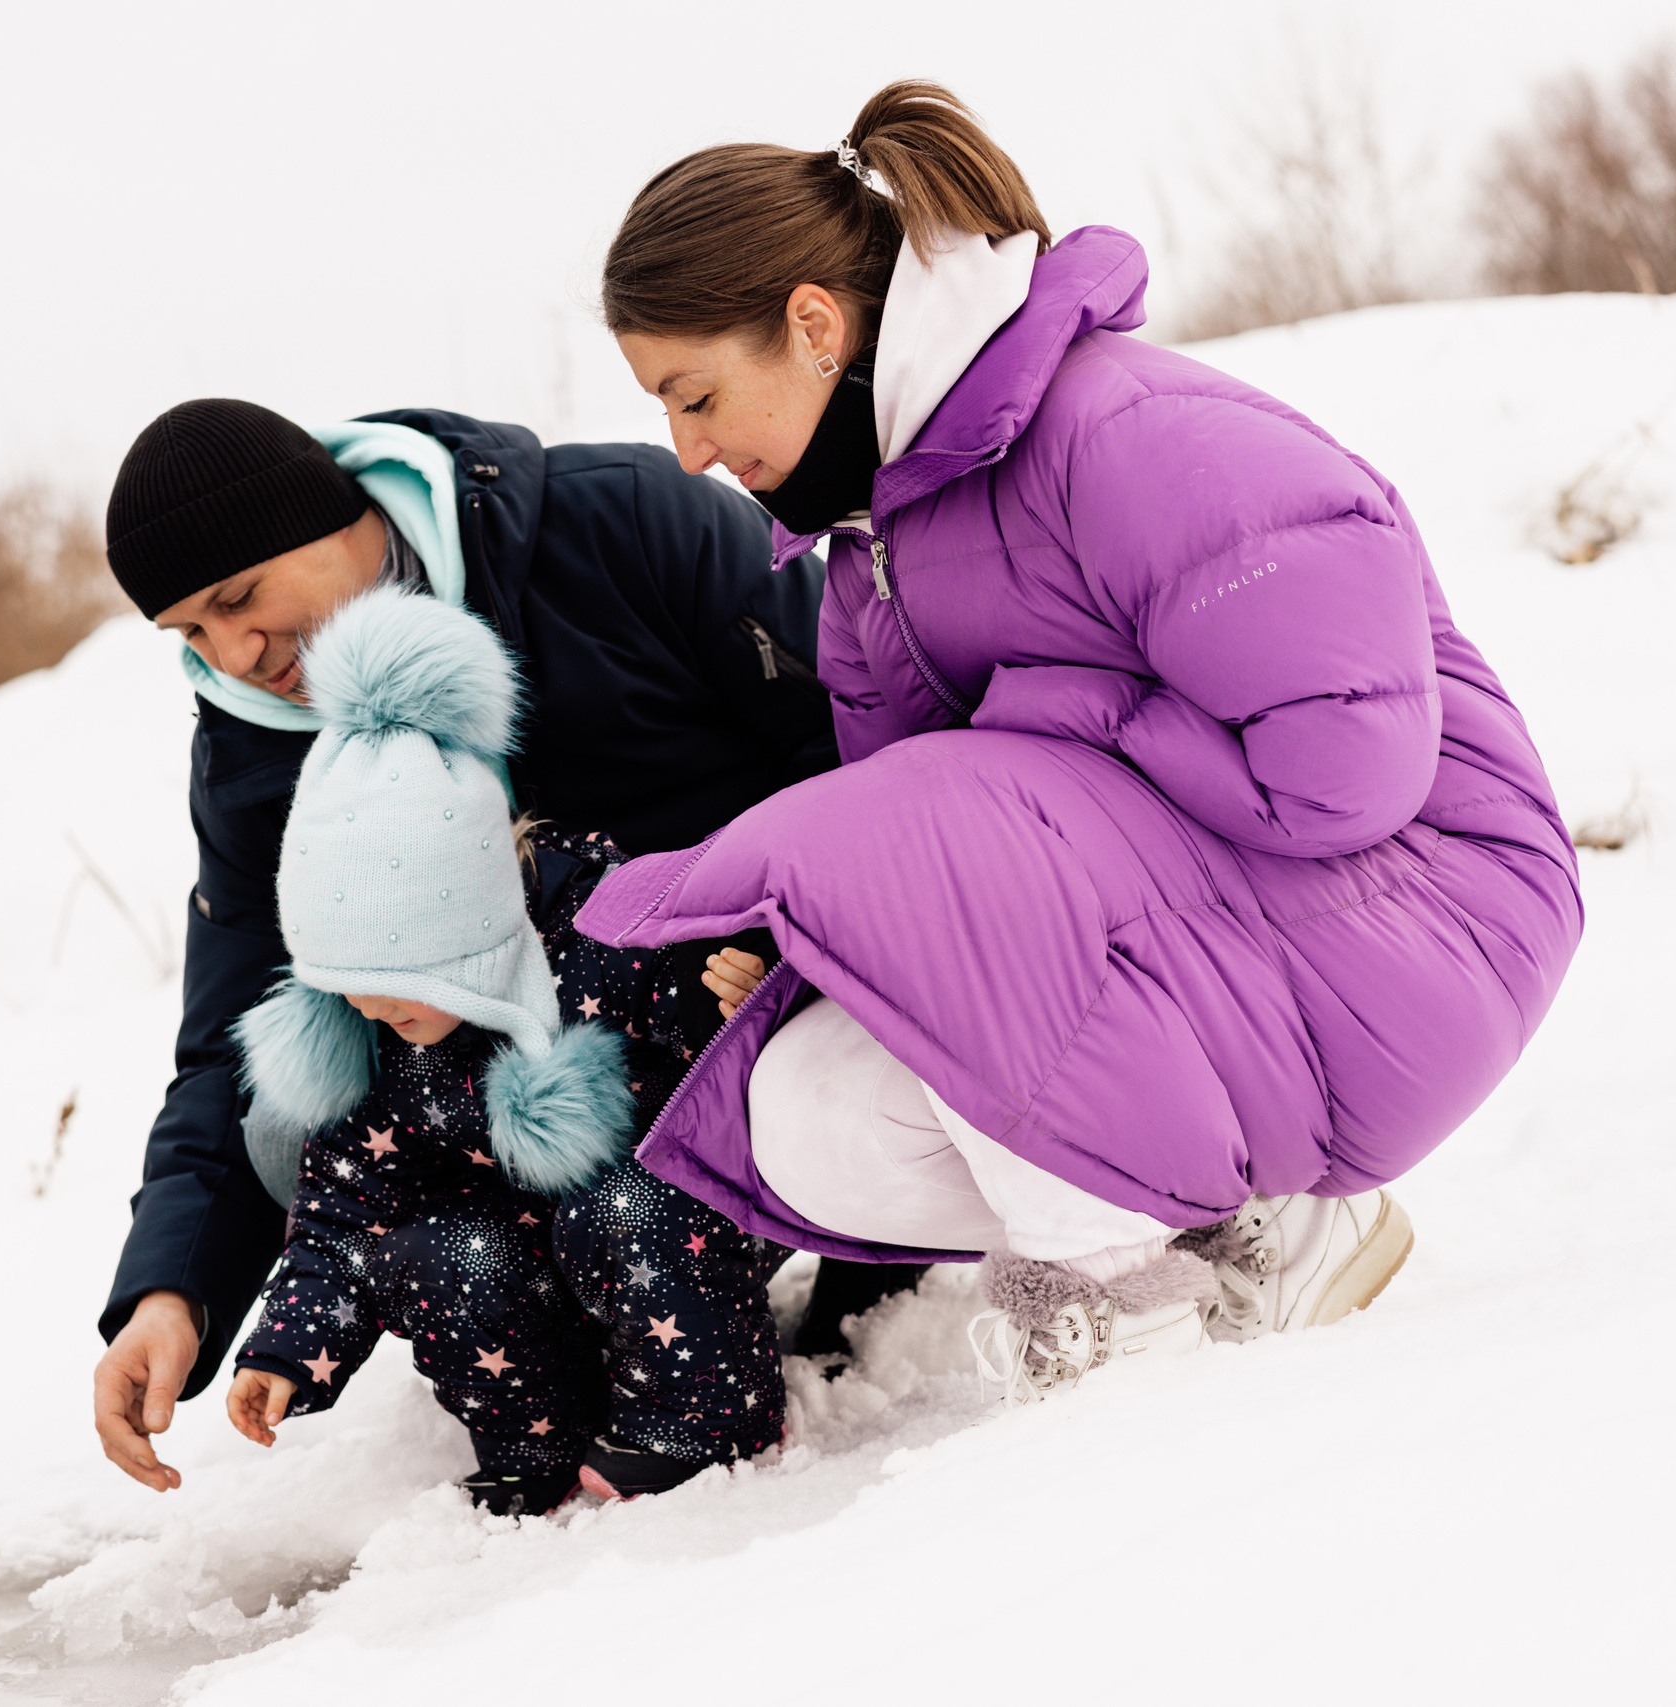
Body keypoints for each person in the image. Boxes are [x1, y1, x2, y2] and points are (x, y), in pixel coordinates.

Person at [576, 81, 1584, 1401]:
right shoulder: (876, 555)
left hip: (1428, 906)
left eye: (695, 392)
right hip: (1241, 929)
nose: (687, 446)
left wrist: (1060, 715)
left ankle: (1128, 1319)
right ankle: (1276, 1240)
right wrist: (827, 942)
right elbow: (950, 847)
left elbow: (1348, 766)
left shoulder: (1126, 432)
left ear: (813, 326)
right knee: (807, 1104)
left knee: (930, 831)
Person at [91, 399, 892, 1492]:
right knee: (287, 1113)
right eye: (189, 632)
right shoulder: (246, 746)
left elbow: (860, 731)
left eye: (239, 597)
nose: (234, 653)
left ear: (344, 517)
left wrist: (770, 936)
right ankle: (556, 1352)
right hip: (490, 1099)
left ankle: (856, 1241)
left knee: (804, 1038)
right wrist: (168, 1291)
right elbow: (224, 1029)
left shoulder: (615, 522)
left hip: (719, 990)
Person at [218, 587, 782, 1513]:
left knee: (624, 1200)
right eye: (341, 975)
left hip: (678, 1240)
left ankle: (709, 1418)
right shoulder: (366, 1032)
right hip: (530, 1269)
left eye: (396, 969)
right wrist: (286, 1348)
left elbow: (726, 1049)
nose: (368, 1001)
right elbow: (341, 1215)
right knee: (441, 1253)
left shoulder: (600, 943)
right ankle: (539, 1441)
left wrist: (734, 997)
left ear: (467, 920)